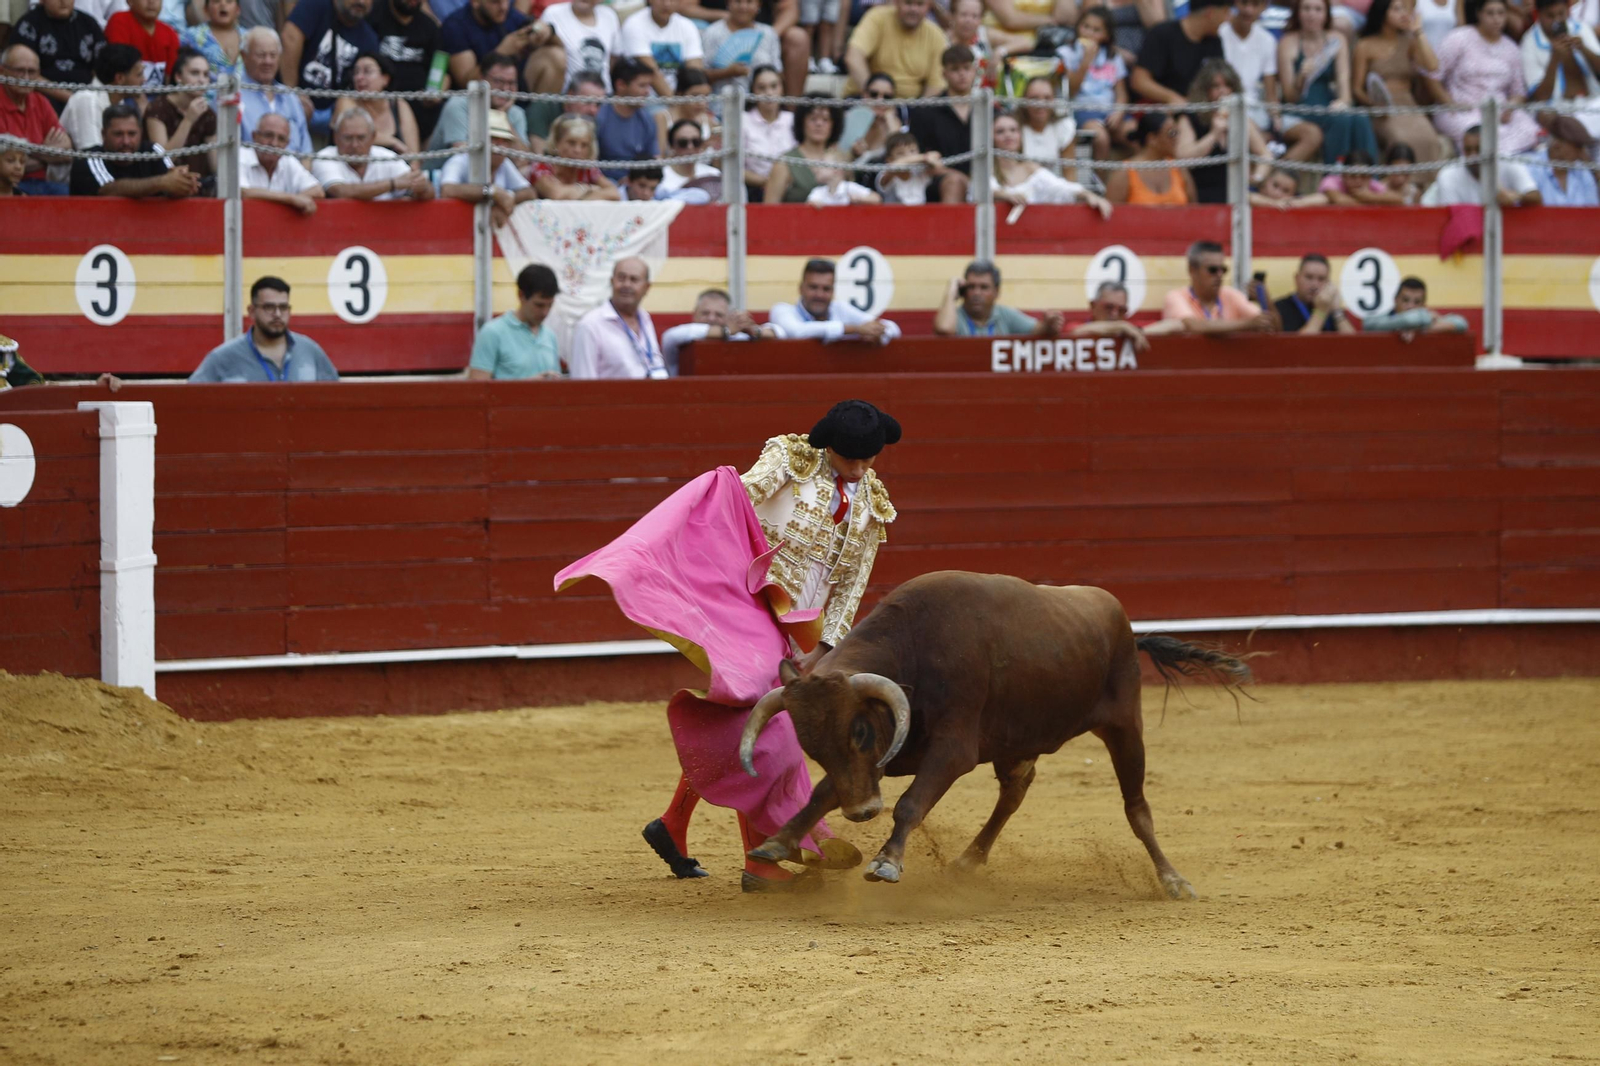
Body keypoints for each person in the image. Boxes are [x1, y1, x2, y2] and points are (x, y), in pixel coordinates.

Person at [557, 400, 899, 892]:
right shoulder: (790, 459)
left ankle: (674, 824)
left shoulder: (872, 500)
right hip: (745, 600)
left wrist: (822, 648)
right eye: (852, 460)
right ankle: (762, 861)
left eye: (869, 460)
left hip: (798, 629)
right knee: (770, 725)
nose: (861, 470)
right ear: (830, 448)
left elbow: (851, 585)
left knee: (747, 720)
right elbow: (735, 500)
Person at [1429, 0, 1542, 154]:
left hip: (1498, 111)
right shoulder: (1459, 38)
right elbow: (1433, 75)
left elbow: (1519, 92)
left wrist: (1510, 106)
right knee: (1482, 136)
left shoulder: (1511, 48)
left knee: (1530, 130)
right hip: (1462, 109)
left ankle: (1509, 166)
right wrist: (1449, 102)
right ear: (1479, 14)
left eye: (1501, 13)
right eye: (1490, 13)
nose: (1496, 19)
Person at [1222, 0, 1324, 168]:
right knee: (1255, 136)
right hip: (1230, 108)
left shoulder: (1267, 40)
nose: (1249, 10)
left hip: (1258, 110)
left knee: (1312, 134)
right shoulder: (1220, 34)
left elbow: (1271, 93)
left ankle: (1276, 177)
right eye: (1244, 3)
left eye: (1255, 5)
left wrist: (1275, 118)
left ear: (1264, 7)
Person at [1279, 0, 1380, 163]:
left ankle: (1370, 175)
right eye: (1306, 9)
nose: (1312, 14)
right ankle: (1335, 173)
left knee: (1360, 117)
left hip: (1327, 101)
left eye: (1318, 9)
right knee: (1341, 120)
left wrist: (1343, 101)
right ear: (1298, 12)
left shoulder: (1336, 40)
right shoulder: (1288, 42)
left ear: (1326, 14)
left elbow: (1343, 84)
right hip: (1301, 107)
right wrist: (1301, 78)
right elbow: (1290, 97)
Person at [191, 276, 340, 382]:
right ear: (251, 311)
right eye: (269, 307)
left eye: (283, 307)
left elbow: (336, 401)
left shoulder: (310, 351)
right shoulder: (223, 358)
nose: (277, 314)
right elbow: (190, 402)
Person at [1354, 0, 1444, 169]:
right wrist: (1373, 104)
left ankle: (1424, 188)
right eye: (1396, 9)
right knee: (1400, 139)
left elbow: (1432, 66)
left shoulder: (1409, 42)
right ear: (1382, 13)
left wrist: (1418, 32)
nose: (1403, 13)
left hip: (1408, 104)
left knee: (1430, 140)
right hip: (1381, 108)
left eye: (1404, 9)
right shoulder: (1365, 45)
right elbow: (1357, 89)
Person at [1176, 58, 1272, 203]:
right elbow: (1183, 158)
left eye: (1228, 85)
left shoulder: (1241, 119)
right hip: (1200, 195)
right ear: (1205, 90)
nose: (1223, 90)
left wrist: (1257, 178)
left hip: (1235, 195)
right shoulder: (1190, 118)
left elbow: (1265, 154)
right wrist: (1213, 135)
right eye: (1216, 86)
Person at [281, 0, 380, 130]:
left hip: (333, 113)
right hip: (291, 98)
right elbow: (290, 38)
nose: (361, 2)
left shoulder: (369, 39)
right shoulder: (315, 5)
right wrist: (292, 94)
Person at [70, 101, 203, 195]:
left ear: (141, 133)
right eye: (118, 134)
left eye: (132, 134)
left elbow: (171, 179)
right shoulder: (88, 158)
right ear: (104, 135)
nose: (126, 141)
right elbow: (109, 190)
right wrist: (161, 182)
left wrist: (184, 183)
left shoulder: (153, 151)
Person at [991, 111, 1114, 212]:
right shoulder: (985, 169)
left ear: (1020, 136)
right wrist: (1005, 196)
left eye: (1013, 130)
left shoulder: (1030, 168)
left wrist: (1088, 195)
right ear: (991, 138)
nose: (1008, 135)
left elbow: (1060, 187)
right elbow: (981, 192)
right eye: (1000, 131)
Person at [569, 257, 665, 379]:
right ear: (611, 282)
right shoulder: (590, 325)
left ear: (647, 287)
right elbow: (583, 384)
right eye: (621, 278)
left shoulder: (645, 319)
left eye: (634, 279)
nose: (626, 284)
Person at [366, 0, 447, 142]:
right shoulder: (373, 16)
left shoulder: (429, 26)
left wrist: (436, 93)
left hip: (421, 108)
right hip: (380, 108)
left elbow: (444, 73)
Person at [769, 258, 902, 342]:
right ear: (801, 288)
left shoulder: (840, 308)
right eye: (813, 287)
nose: (819, 295)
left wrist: (876, 332)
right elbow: (797, 332)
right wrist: (854, 330)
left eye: (826, 289)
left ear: (833, 291)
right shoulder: (783, 310)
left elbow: (893, 328)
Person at [313, 106, 435, 198]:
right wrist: (392, 184)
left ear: (373, 137)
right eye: (348, 138)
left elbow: (429, 192)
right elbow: (341, 191)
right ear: (336, 137)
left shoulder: (386, 157)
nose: (355, 145)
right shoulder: (325, 157)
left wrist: (421, 187)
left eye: (361, 138)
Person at [426, 52, 525, 164]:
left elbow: (522, 161)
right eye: (498, 81)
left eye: (511, 83)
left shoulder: (516, 113)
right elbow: (465, 158)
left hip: (493, 176)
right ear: (482, 79)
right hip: (443, 176)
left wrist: (501, 116)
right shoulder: (458, 105)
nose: (505, 89)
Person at [467, 264, 563, 380]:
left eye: (550, 305)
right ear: (521, 295)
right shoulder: (492, 333)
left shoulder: (549, 335)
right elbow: (477, 390)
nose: (545, 312)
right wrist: (526, 387)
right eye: (539, 305)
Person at [438, 108, 536, 222]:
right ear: (479, 140)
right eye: (493, 139)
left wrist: (506, 198)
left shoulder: (504, 162)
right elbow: (447, 190)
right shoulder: (460, 160)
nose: (499, 145)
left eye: (505, 140)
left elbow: (529, 192)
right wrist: (492, 192)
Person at [907, 44, 977, 203]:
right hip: (937, 182)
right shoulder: (925, 112)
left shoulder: (989, 111)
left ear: (974, 71)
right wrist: (959, 178)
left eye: (966, 68)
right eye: (955, 69)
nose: (962, 74)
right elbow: (916, 157)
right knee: (954, 182)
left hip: (985, 179)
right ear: (944, 73)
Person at [1523, 0, 1600, 140]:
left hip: (1592, 104)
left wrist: (1584, 49)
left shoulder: (1581, 28)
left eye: (1561, 14)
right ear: (1539, 15)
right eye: (1550, 16)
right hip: (1558, 112)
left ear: (1568, 11)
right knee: (1549, 118)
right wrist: (1554, 59)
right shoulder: (1529, 43)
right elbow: (1540, 97)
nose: (1557, 20)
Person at [10, 0, 106, 112]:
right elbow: (26, 73)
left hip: (87, 94)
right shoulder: (29, 24)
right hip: (44, 96)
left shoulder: (88, 23)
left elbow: (102, 67)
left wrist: (89, 96)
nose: (63, 1)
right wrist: (70, 98)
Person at [659, 288, 782, 375]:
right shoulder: (680, 342)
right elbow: (671, 336)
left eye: (719, 315)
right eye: (705, 313)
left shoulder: (735, 338)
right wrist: (726, 331)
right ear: (694, 314)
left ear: (728, 317)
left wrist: (755, 331)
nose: (711, 318)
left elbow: (781, 332)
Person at [1161, 239, 1275, 333]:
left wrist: (1266, 301)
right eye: (1213, 270)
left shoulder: (1231, 294)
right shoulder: (1175, 297)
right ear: (1192, 270)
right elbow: (1194, 325)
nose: (1219, 275)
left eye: (1223, 270)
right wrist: (1249, 323)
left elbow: (1271, 326)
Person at [1, 44, 73, 192]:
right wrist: (48, 154)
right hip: (9, 187)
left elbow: (67, 153)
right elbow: (4, 167)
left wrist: (26, 153)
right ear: (2, 71)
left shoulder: (40, 101)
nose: (26, 78)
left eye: (31, 72)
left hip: (46, 184)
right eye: (19, 71)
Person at [1062, 5, 1130, 159]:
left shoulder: (1113, 57)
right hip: (1082, 110)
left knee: (1134, 132)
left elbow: (1121, 93)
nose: (1089, 33)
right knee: (1100, 138)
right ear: (1078, 26)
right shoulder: (1066, 53)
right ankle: (1101, 182)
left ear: (1106, 35)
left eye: (1096, 30)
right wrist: (1085, 62)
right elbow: (1070, 90)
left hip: (1110, 110)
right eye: (1085, 26)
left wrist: (1119, 111)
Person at [843, 0, 949, 99]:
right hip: (864, 99)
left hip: (909, 108)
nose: (914, 9)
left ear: (929, 6)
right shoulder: (876, 18)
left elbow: (936, 85)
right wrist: (872, 96)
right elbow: (853, 57)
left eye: (920, 4)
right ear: (896, 2)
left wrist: (919, 113)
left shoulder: (936, 35)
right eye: (908, 3)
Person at [935, 259, 1064, 337]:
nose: (976, 293)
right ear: (963, 290)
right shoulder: (955, 316)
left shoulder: (1005, 315)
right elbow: (945, 329)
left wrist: (1049, 325)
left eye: (984, 287)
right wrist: (950, 291)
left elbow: (1038, 330)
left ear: (996, 292)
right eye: (971, 287)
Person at [1130, 0, 1227, 103]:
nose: (1227, 19)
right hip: (1161, 109)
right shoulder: (1162, 34)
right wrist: (1170, 97)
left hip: (1200, 110)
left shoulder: (1214, 41)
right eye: (1226, 12)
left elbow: (1220, 79)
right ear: (1210, 13)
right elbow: (1139, 80)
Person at [332, 51, 420, 159]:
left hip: (397, 170)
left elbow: (414, 155)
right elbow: (350, 133)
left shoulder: (399, 104)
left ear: (385, 79)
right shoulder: (346, 100)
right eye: (356, 72)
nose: (359, 77)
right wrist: (392, 142)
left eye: (367, 71)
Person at [1422, 123, 1542, 202]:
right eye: (1468, 150)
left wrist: (1516, 197)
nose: (1473, 156)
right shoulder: (1448, 174)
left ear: (1492, 149)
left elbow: (1536, 197)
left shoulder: (1509, 162)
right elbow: (1454, 219)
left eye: (1479, 150)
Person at [145, 46, 216, 177]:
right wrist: (188, 120)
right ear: (178, 77)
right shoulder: (158, 109)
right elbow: (163, 162)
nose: (201, 80)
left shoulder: (208, 113)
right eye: (195, 73)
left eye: (206, 74)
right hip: (166, 188)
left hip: (201, 187)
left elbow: (216, 166)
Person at [239, 28, 312, 157]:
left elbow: (306, 152)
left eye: (273, 55)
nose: (268, 61)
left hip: (294, 172)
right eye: (261, 55)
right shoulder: (232, 95)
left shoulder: (290, 96)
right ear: (244, 56)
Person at [1103, 109, 1196, 203]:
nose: (1176, 138)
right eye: (1171, 133)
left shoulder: (1179, 169)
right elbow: (1112, 214)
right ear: (1152, 139)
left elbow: (1194, 211)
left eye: (1177, 132)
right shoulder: (1124, 174)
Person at [239, 111, 323, 213]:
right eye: (268, 135)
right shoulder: (241, 156)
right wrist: (291, 199)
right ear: (254, 136)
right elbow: (241, 192)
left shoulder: (287, 160)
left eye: (281, 139)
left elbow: (318, 191)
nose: (274, 143)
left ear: (287, 143)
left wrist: (289, 199)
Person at [764, 98, 843, 202]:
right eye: (813, 119)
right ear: (802, 123)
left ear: (833, 125)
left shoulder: (840, 159)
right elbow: (769, 208)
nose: (819, 124)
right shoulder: (784, 163)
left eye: (825, 120)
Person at [594, 59, 661, 180]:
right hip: (604, 184)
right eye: (642, 85)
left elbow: (654, 159)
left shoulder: (647, 119)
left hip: (639, 184)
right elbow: (589, 163)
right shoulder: (599, 115)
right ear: (621, 85)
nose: (647, 92)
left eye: (649, 86)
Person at [439, 0, 531, 88]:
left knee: (543, 56)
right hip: (473, 99)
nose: (504, 7)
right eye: (495, 2)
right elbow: (467, 83)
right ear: (475, 2)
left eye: (506, 1)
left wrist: (541, 32)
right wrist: (501, 53)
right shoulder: (455, 26)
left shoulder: (506, 13)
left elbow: (531, 26)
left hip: (515, 91)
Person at [622, 0, 704, 96]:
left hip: (680, 97)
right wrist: (675, 105)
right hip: (646, 97)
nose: (667, 4)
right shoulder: (634, 24)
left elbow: (694, 70)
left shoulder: (688, 26)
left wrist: (688, 101)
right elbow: (651, 71)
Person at [532, 112, 620, 198]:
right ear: (556, 143)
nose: (577, 150)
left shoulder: (588, 169)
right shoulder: (542, 167)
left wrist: (577, 193)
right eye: (571, 143)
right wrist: (591, 189)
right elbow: (557, 194)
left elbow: (614, 193)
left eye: (584, 145)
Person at [540, 0, 622, 91]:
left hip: (603, 96)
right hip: (567, 97)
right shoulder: (553, 14)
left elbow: (614, 57)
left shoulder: (609, 16)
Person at [700, 0, 781, 90]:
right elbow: (701, 75)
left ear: (758, 5)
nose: (743, 7)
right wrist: (726, 72)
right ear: (728, 3)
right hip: (722, 99)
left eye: (749, 2)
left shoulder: (768, 33)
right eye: (738, 1)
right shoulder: (712, 33)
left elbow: (777, 71)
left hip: (761, 100)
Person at [740, 64, 793, 200]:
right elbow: (734, 169)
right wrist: (772, 182)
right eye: (762, 88)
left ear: (782, 89)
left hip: (792, 189)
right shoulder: (742, 120)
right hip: (753, 190)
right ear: (753, 91)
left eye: (774, 86)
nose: (769, 93)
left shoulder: (792, 120)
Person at [1359, 275, 1469, 338]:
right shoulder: (1382, 320)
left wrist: (1422, 329)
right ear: (1395, 300)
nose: (1410, 306)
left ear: (1423, 305)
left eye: (1417, 302)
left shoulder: (1427, 320)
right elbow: (1368, 324)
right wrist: (1413, 323)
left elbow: (1461, 323)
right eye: (1405, 300)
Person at [1523, 113, 1599, 204]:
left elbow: (1591, 213)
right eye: (1577, 146)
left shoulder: (1582, 172)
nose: (1581, 153)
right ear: (1558, 145)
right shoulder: (1531, 168)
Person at [1273, 253, 1356, 333]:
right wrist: (1320, 311)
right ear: (1297, 278)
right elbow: (1298, 345)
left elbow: (1355, 345)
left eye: (1321, 279)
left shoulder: (1330, 308)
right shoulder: (1280, 308)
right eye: (1309, 277)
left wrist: (1337, 312)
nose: (1314, 285)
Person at [1070, 279, 1168, 346]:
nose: (1115, 314)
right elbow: (1076, 331)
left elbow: (1177, 325)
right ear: (1093, 306)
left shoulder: (1129, 327)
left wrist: (1138, 332)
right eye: (1108, 307)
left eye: (1121, 310)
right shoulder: (1077, 326)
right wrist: (1120, 326)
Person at [104, 0, 179, 85]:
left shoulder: (169, 32)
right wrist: (140, 97)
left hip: (159, 94)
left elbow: (170, 77)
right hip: (127, 94)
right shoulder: (119, 21)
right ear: (129, 1)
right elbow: (119, 70)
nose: (151, 2)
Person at [1016, 74, 1075, 168]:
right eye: (1034, 98)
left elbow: (1070, 174)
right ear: (1025, 100)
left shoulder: (1063, 126)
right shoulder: (1013, 127)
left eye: (1047, 98)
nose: (1041, 104)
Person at [659, 116, 720, 199]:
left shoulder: (714, 174)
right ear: (672, 146)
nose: (690, 147)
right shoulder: (661, 178)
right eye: (683, 143)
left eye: (696, 142)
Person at [179, 0, 243, 76]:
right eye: (216, 1)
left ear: (238, 9)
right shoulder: (190, 37)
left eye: (229, 1)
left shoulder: (250, 37)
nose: (223, 4)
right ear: (206, 9)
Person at [1251, 162, 1332, 207]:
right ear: (1266, 181)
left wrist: (1297, 203)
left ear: (1293, 193)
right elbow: (1248, 197)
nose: (1277, 193)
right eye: (1275, 185)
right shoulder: (1253, 190)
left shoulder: (1291, 201)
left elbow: (1323, 198)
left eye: (1286, 191)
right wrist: (1273, 203)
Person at [806, 157, 880, 202]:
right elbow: (810, 204)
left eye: (823, 165)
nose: (817, 169)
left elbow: (876, 199)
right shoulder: (818, 191)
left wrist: (859, 199)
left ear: (837, 170)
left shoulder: (849, 187)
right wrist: (814, 204)